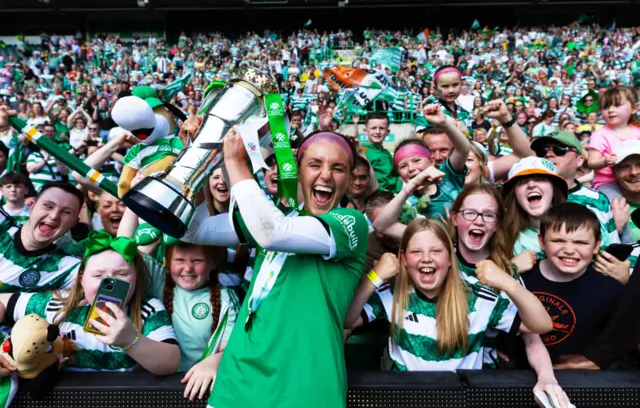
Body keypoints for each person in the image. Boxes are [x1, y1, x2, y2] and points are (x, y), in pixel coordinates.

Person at [182, 130, 368, 408]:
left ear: (350, 178)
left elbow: (273, 233)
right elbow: (193, 231)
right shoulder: (273, 218)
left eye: (338, 168)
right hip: (237, 383)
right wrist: (200, 159)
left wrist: (235, 163)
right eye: (315, 164)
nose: (326, 175)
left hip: (305, 390)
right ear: (298, 170)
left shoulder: (351, 222)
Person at [344, 219, 551, 370]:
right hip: (409, 395)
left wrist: (508, 282)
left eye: (436, 251)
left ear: (450, 259)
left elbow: (540, 324)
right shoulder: (391, 294)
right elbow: (348, 320)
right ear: (404, 260)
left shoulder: (477, 297)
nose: (426, 259)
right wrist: (374, 277)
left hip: (461, 396)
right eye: (416, 252)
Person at [0, 230, 180, 374]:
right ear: (81, 280)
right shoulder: (55, 305)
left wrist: (130, 340)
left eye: (121, 274)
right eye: (98, 275)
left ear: (136, 278)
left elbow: (170, 362)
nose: (109, 282)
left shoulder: (147, 309)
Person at [118, 208, 240, 400]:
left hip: (199, 390)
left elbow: (233, 348)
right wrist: (133, 203)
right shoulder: (158, 280)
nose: (188, 268)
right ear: (167, 261)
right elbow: (122, 249)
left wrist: (214, 362)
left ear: (213, 263)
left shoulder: (226, 298)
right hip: (152, 386)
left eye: (197, 260)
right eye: (180, 260)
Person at [518, 204, 625, 363]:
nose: (569, 250)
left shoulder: (610, 289)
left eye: (580, 243)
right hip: (518, 377)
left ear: (596, 245)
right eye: (558, 240)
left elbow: (618, 343)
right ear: (541, 241)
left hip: (583, 380)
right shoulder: (521, 280)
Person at [529, 130, 620, 247]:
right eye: (543, 151)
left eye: (559, 149)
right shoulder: (527, 197)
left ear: (579, 160)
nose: (548, 154)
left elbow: (612, 245)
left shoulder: (598, 199)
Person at [0, 182, 83, 294]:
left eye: (66, 212)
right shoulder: (2, 226)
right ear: (32, 207)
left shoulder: (66, 269)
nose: (54, 216)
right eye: (48, 206)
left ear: (74, 223)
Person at [502, 157, 568, 256]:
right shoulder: (502, 236)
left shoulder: (581, 226)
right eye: (522, 182)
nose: (531, 185)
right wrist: (514, 268)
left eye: (540, 179)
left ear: (554, 190)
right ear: (515, 195)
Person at [587, 86, 640, 191]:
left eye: (617, 105)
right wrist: (605, 162)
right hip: (608, 182)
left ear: (634, 108)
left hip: (635, 178)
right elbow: (592, 162)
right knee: (615, 203)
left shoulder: (638, 130)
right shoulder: (599, 135)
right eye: (606, 107)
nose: (610, 110)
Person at [361, 112, 402, 193]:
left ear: (387, 132)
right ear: (365, 131)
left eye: (382, 128)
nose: (378, 131)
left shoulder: (386, 152)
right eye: (373, 128)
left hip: (398, 193)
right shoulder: (363, 152)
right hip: (380, 197)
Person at [26, 124, 70, 192]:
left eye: (52, 131)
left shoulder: (60, 152)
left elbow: (65, 172)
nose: (50, 133)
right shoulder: (34, 154)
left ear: (55, 133)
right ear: (43, 132)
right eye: (47, 131)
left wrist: (57, 161)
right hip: (36, 188)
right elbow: (30, 170)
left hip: (54, 188)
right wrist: (45, 160)